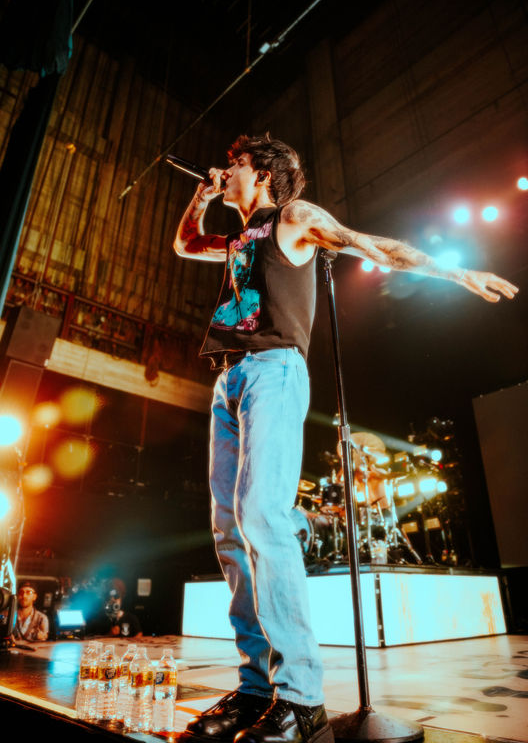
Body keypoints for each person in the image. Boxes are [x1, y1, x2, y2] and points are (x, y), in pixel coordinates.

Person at [174, 134, 518, 743]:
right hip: (228, 379)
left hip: (274, 371)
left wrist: (455, 271)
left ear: (264, 174)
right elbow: (184, 244)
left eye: (236, 164)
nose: (227, 170)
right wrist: (202, 198)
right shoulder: (238, 238)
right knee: (229, 530)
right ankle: (256, 690)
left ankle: (302, 700)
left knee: (260, 515)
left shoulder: (294, 218)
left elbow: (372, 245)